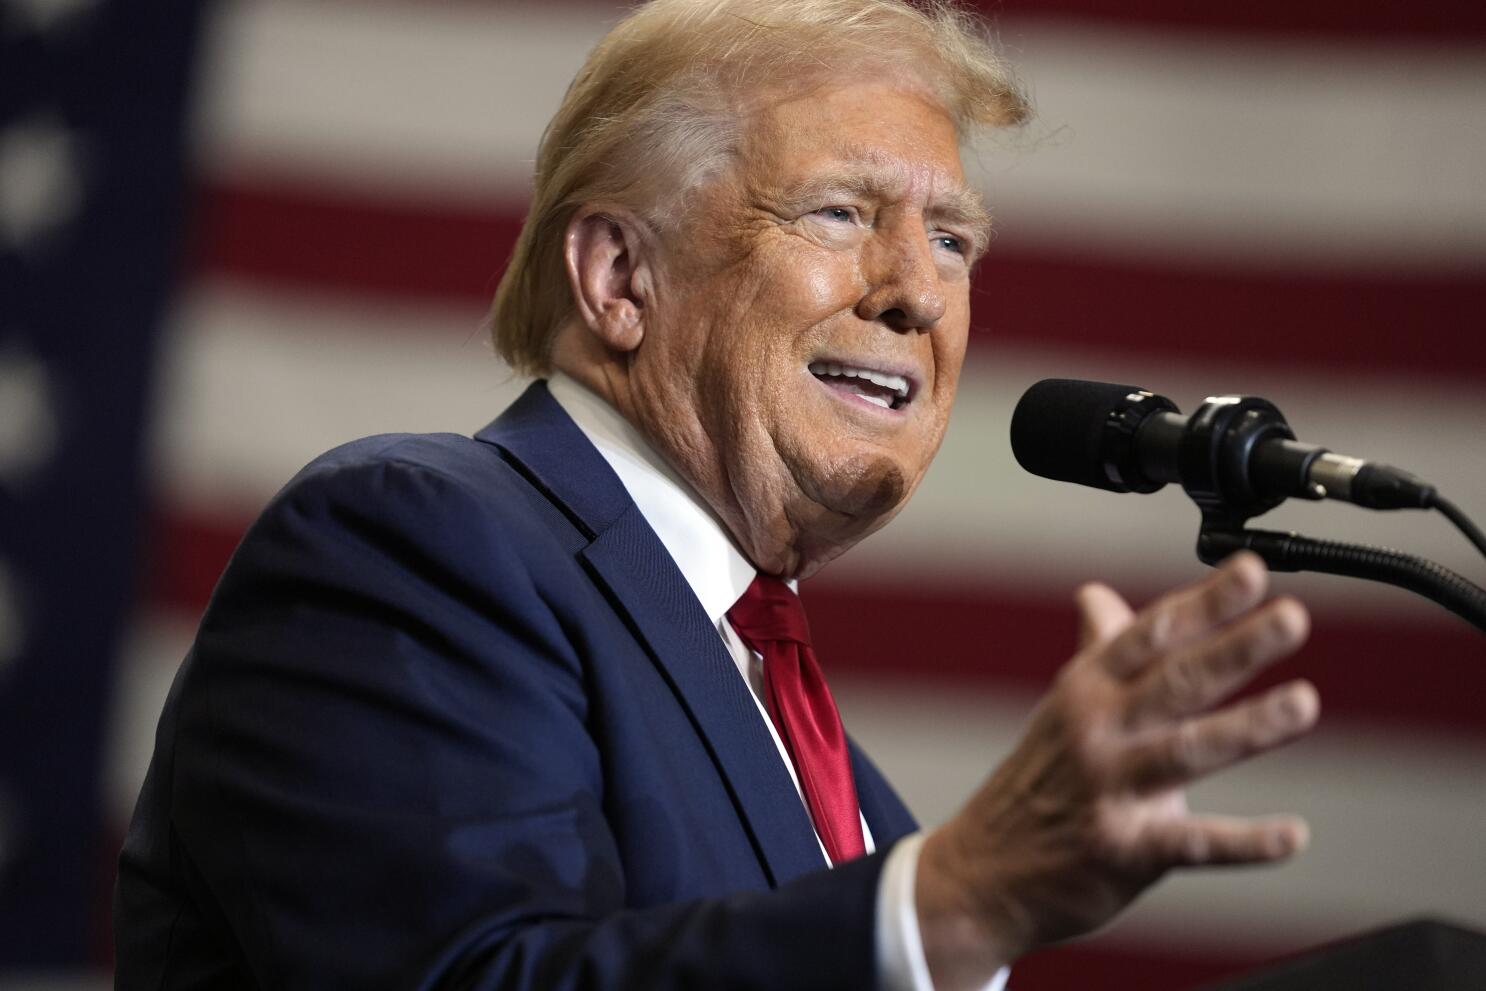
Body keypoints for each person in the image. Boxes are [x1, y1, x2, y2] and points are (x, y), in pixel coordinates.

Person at [114, 1, 1319, 988]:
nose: (916, 291)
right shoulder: (406, 542)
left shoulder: (849, 787)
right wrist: (947, 907)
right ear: (619, 275)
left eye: (952, 239)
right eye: (842, 211)